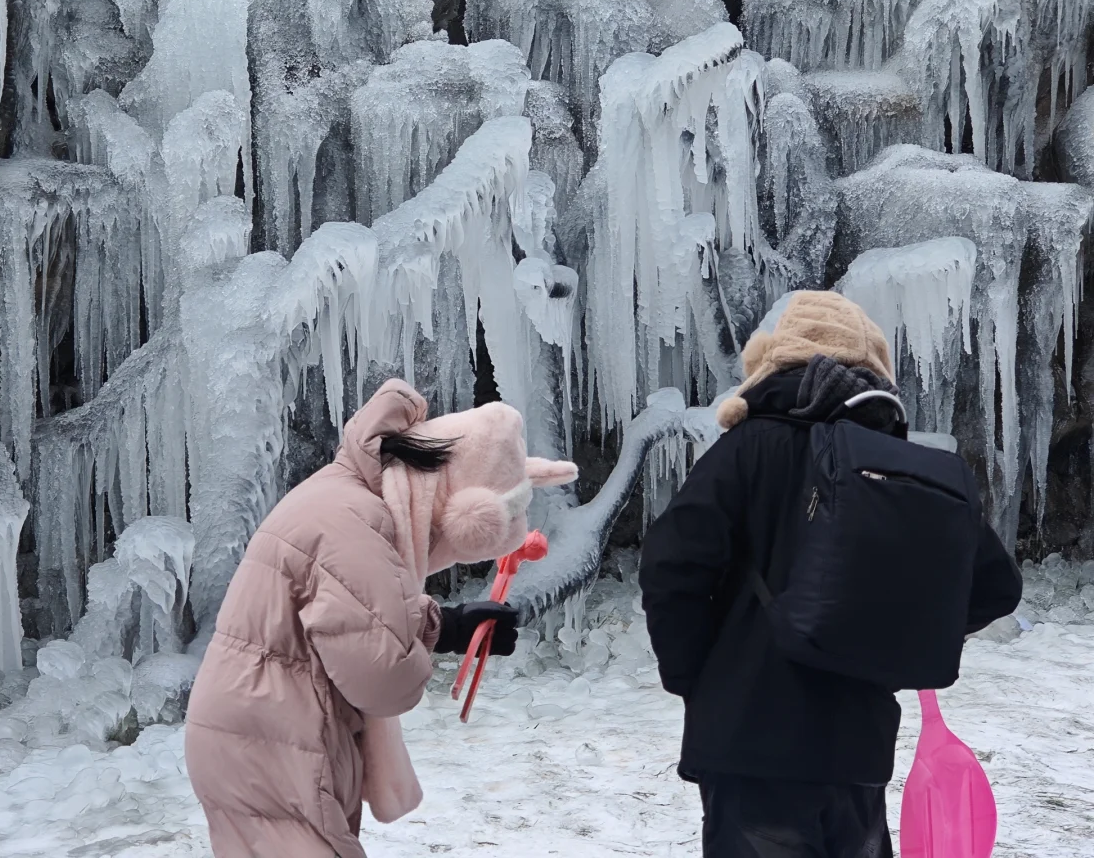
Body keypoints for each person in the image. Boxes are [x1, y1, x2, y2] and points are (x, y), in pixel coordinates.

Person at [640, 291, 1023, 858]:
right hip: (857, 748)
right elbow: (996, 586)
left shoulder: (746, 449)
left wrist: (698, 677)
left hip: (749, 740)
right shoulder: (896, 468)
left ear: (774, 361)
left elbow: (671, 566)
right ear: (874, 368)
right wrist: (890, 639)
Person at [185, 379, 577, 858]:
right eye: (447, 545)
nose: (437, 557)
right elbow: (382, 678)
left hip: (258, 738)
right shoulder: (354, 521)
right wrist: (420, 650)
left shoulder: (344, 495)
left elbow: (351, 614)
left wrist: (448, 627)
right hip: (272, 747)